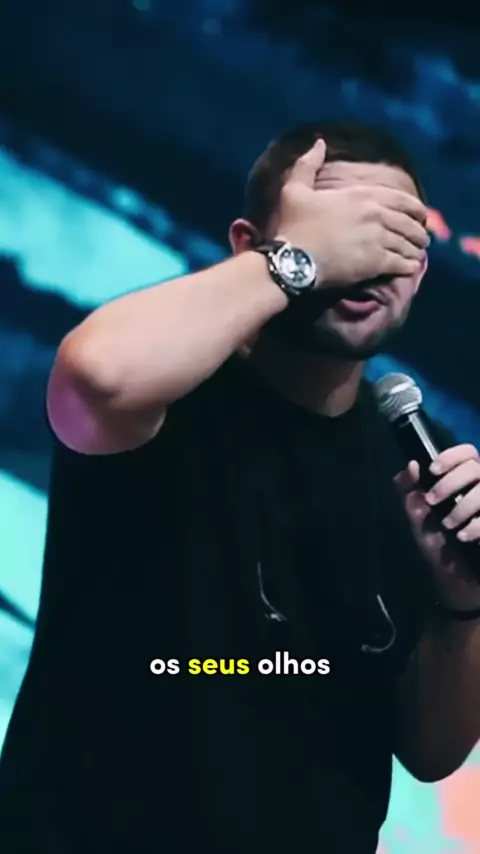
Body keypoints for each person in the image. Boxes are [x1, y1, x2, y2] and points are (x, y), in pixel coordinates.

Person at [1, 122, 480, 854]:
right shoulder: (168, 389)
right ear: (250, 247)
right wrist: (301, 259)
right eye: (342, 230)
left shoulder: (419, 459)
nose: (365, 261)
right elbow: (96, 377)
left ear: (418, 272)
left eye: (394, 239)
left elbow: (431, 751)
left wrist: (463, 606)